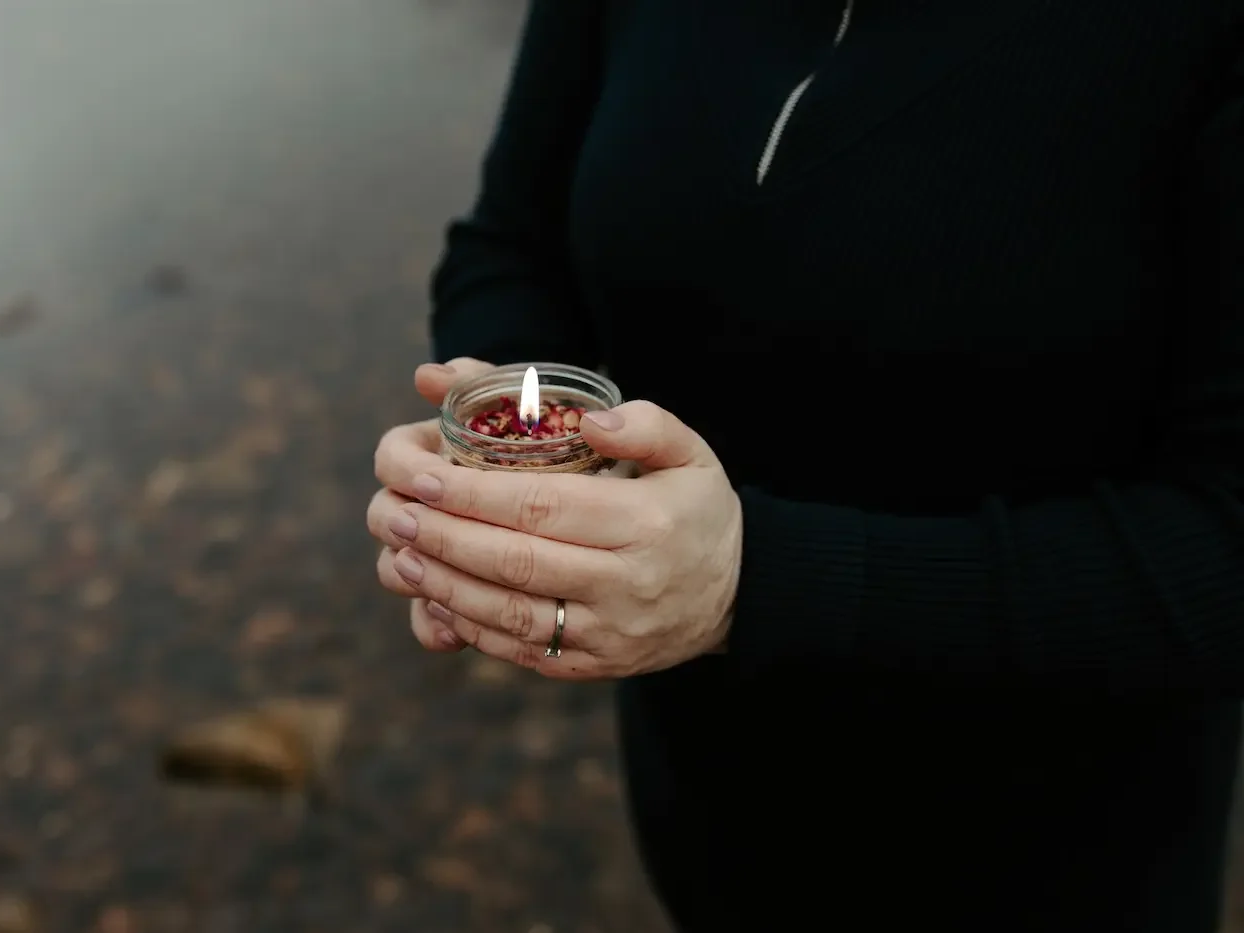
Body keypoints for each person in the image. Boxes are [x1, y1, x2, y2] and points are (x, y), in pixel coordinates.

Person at [366, 1, 1244, 929]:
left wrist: (752, 582)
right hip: (708, 797)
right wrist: (519, 468)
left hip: (1056, 856)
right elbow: (509, 245)